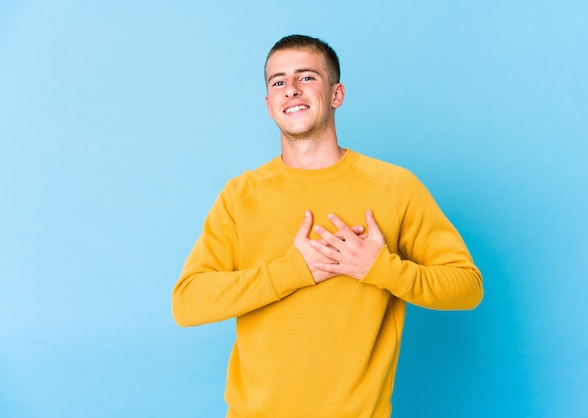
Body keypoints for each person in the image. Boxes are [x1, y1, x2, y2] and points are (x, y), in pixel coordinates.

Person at [172, 34, 483, 418]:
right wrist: (292, 271)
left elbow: (467, 288)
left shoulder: (394, 187)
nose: (291, 90)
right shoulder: (241, 195)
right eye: (278, 82)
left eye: (306, 78)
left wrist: (381, 269)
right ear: (268, 105)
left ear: (336, 95)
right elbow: (187, 304)